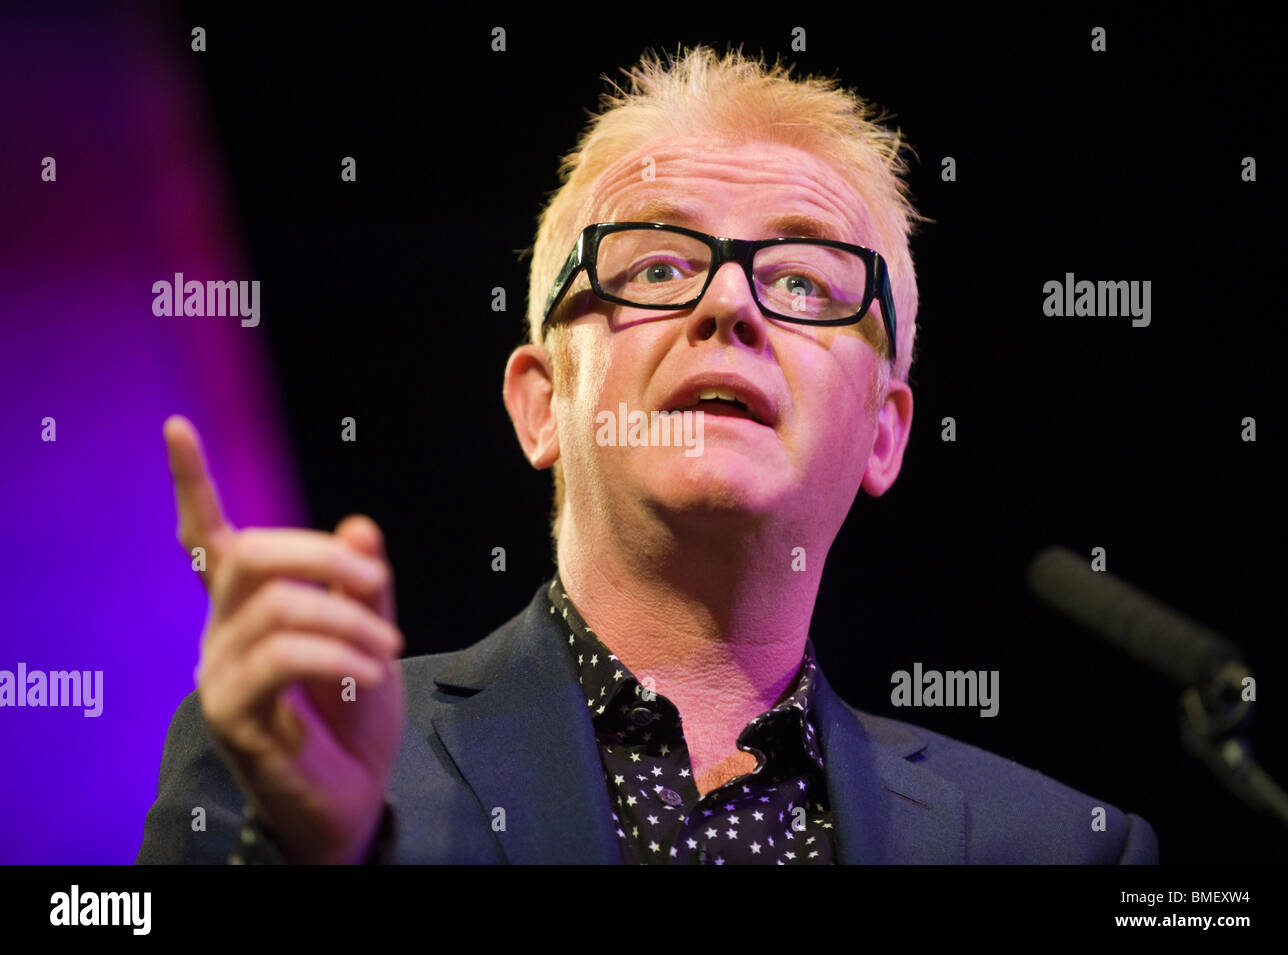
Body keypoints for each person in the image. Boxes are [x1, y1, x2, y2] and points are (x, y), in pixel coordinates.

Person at [137, 46, 1157, 864]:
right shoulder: (294, 746)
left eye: (805, 282)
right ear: (542, 402)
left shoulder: (1061, 848)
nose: (729, 304)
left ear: (883, 432)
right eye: (659, 264)